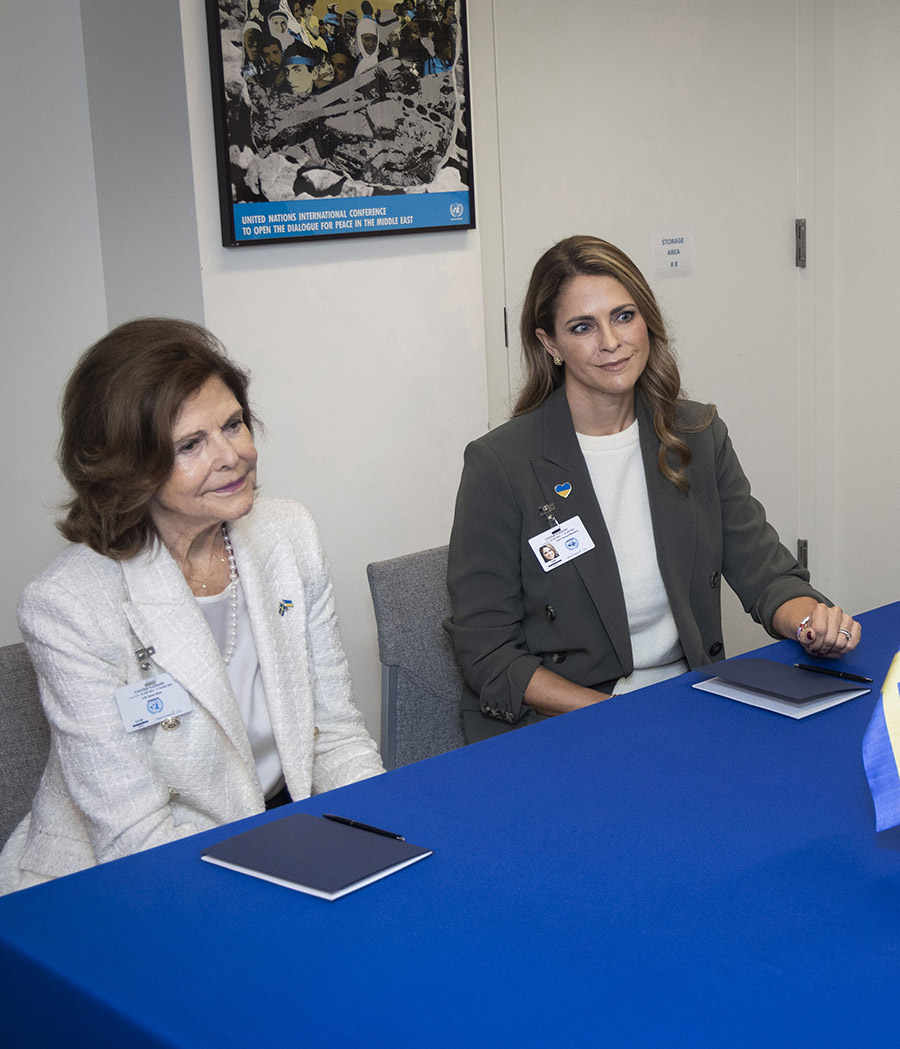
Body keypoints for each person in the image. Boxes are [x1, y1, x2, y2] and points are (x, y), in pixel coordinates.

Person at [0, 319, 383, 894]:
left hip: (280, 838)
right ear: (127, 467)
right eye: (190, 445)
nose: (231, 456)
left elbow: (335, 735)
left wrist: (383, 832)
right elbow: (133, 832)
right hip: (113, 880)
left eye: (233, 424)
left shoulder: (287, 534)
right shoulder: (69, 604)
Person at [445, 236, 862, 743]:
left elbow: (769, 575)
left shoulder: (696, 435)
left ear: (647, 320)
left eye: (623, 316)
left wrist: (812, 624)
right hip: (565, 720)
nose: (611, 341)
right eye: (582, 326)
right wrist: (623, 719)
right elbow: (488, 653)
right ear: (550, 344)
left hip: (688, 702)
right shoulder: (501, 464)